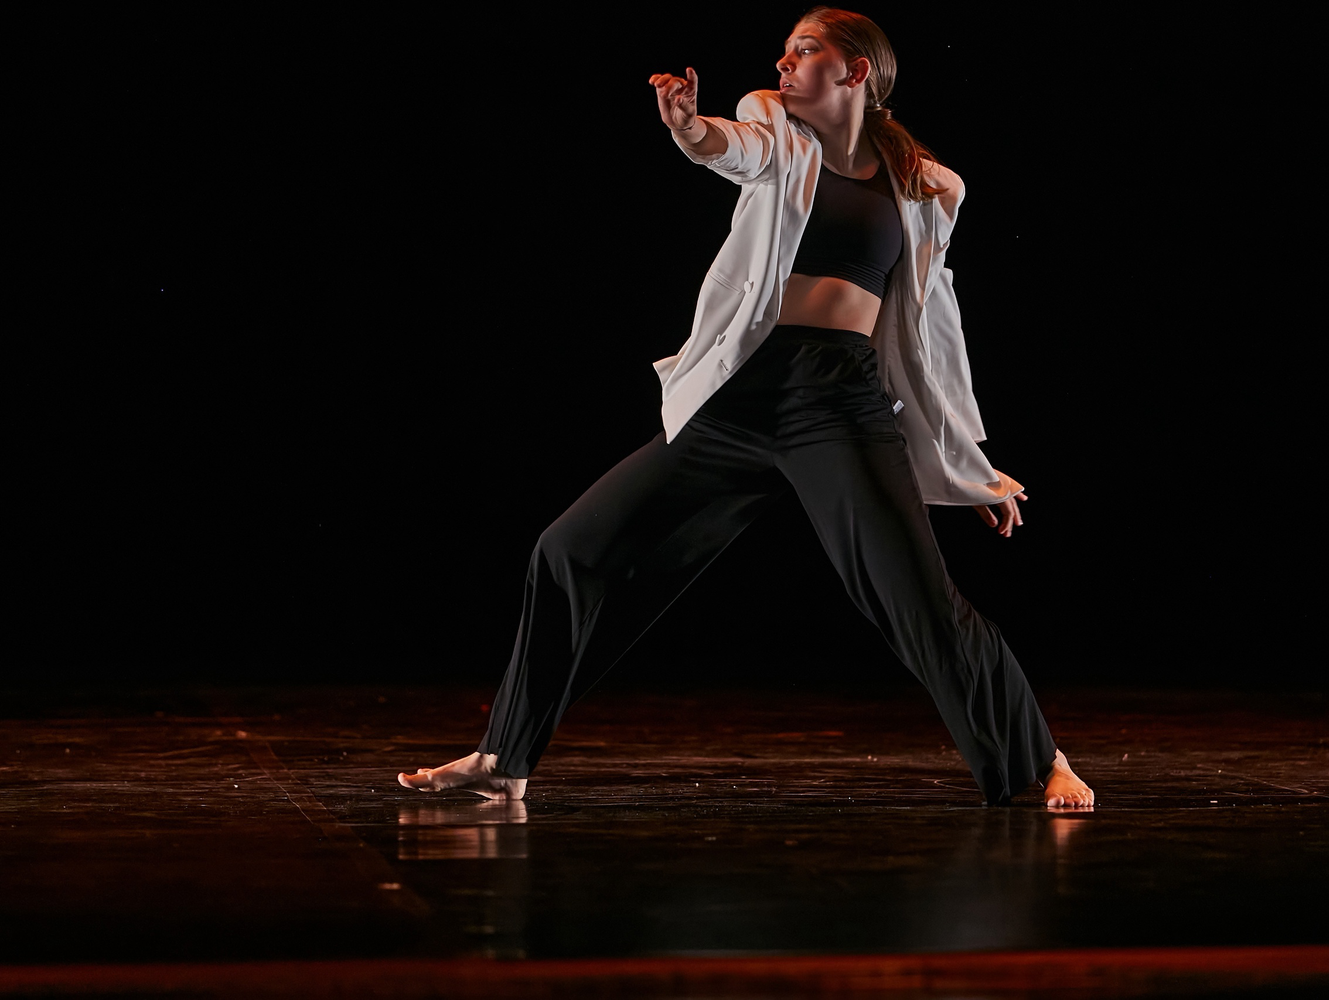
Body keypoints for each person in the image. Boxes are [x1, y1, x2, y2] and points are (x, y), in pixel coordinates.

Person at [399, 8, 1094, 809]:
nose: (784, 61)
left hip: (837, 402)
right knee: (569, 550)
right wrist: (689, 128)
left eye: (806, 49)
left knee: (917, 602)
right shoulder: (775, 126)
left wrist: (969, 463)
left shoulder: (929, 187)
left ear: (856, 72)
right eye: (787, 50)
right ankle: (505, 756)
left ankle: (1040, 760)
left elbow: (933, 334)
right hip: (738, 397)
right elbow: (735, 149)